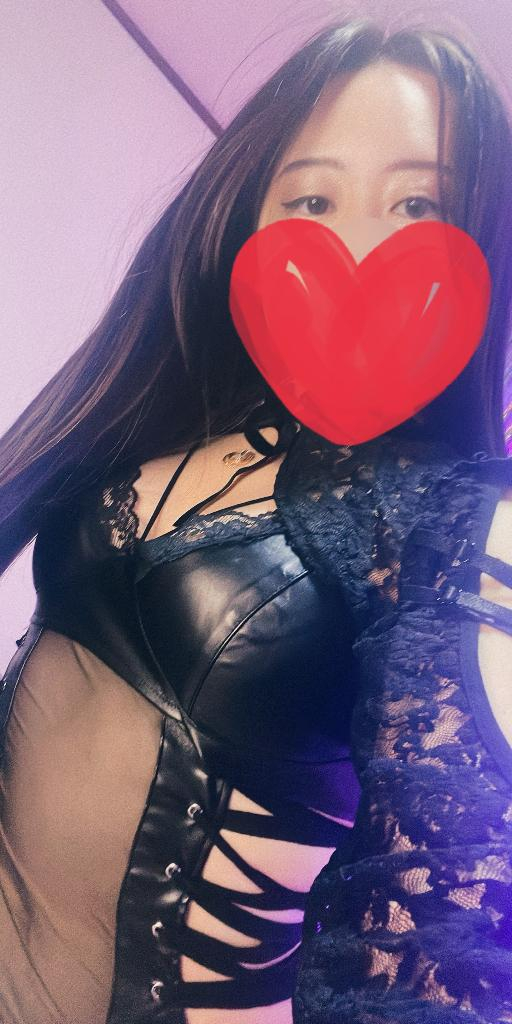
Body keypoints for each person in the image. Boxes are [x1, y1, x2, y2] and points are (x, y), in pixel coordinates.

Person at [0, 14, 511, 1024]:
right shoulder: (169, 399)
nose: (357, 246)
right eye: (312, 197)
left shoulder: (444, 526)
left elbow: (451, 875)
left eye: (416, 203)